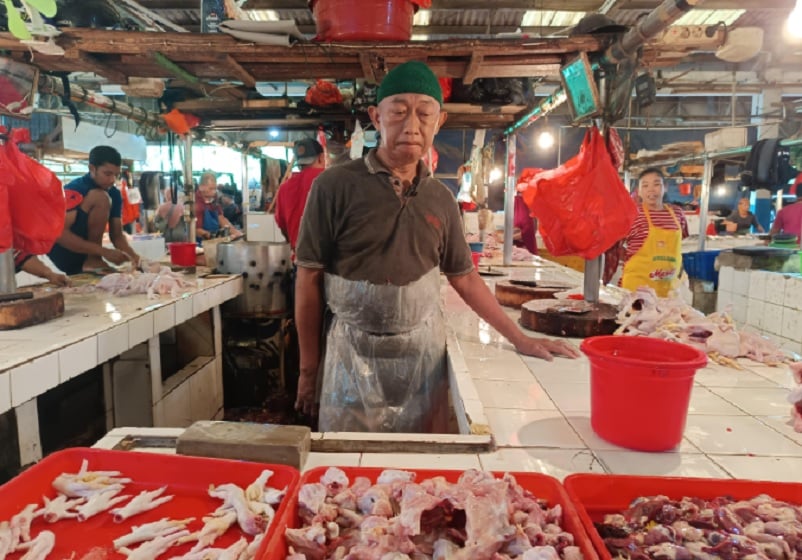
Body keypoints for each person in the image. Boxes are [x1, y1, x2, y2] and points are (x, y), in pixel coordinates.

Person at [293, 60, 579, 433]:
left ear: (439, 121)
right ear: (375, 117)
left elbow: (466, 279)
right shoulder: (333, 187)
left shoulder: (441, 199)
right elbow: (308, 280)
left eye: (424, 113)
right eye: (398, 112)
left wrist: (520, 338)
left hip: (421, 360)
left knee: (423, 460)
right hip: (350, 357)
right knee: (350, 461)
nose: (412, 125)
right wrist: (308, 371)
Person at [49, 146, 140, 274]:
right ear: (92, 168)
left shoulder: (114, 193)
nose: (112, 180)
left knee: (105, 196)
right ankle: (93, 260)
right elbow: (59, 234)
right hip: (63, 252)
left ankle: (93, 260)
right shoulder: (75, 189)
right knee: (101, 197)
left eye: (116, 175)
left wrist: (136, 259)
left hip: (85, 252)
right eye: (107, 174)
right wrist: (102, 252)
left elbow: (117, 236)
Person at [621, 168, 689, 297]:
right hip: (637, 288)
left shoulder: (678, 213)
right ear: (639, 191)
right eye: (645, 185)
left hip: (669, 289)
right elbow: (616, 246)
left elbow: (682, 242)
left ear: (665, 187)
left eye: (656, 184)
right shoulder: (632, 214)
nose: (651, 190)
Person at [273, 138, 326, 252]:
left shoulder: (284, 188)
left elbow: (282, 224)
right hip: (329, 257)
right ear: (321, 157)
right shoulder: (329, 180)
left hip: (300, 256)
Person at [195, 172, 241, 240]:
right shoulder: (196, 204)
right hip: (199, 242)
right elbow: (196, 230)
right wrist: (213, 236)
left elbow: (221, 219)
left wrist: (235, 232)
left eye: (215, 189)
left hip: (212, 240)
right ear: (201, 187)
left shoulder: (214, 200)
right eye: (211, 189)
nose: (214, 192)